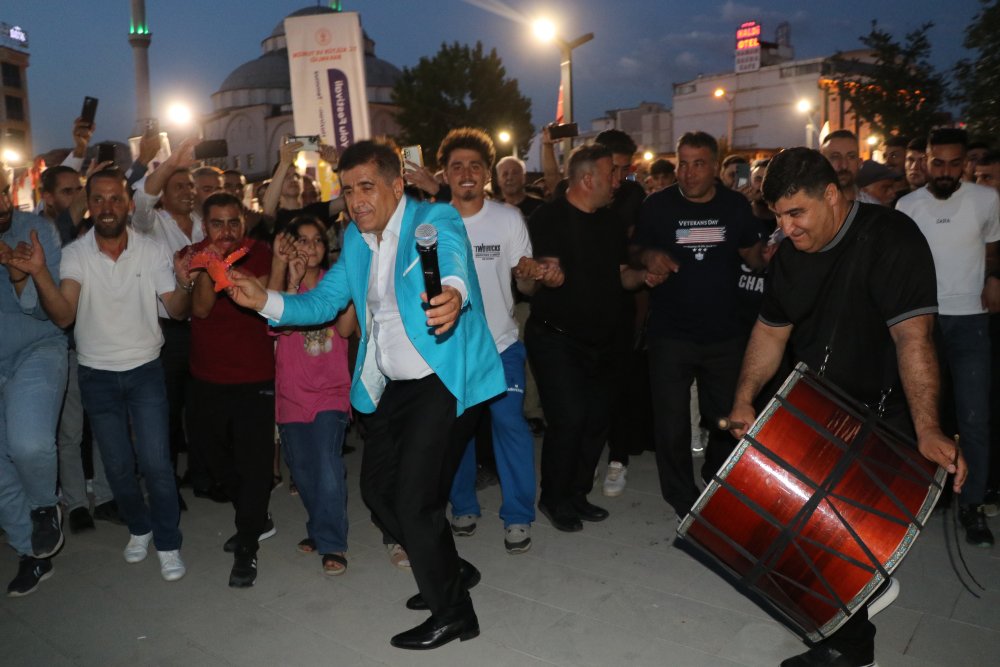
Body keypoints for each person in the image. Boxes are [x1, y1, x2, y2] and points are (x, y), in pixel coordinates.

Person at [227, 138, 505, 650]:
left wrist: (453, 296)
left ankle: (455, 615)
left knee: (416, 501)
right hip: (393, 385)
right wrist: (263, 297)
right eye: (348, 189)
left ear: (397, 186)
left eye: (367, 187)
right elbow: (324, 302)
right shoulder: (356, 240)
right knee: (378, 490)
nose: (356, 200)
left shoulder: (432, 219)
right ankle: (446, 567)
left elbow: (451, 264)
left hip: (444, 380)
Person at [726, 147, 966, 667]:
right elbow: (770, 331)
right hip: (817, 404)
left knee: (841, 533)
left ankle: (852, 632)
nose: (786, 228)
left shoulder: (891, 239)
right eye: (778, 217)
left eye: (797, 214)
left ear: (831, 196)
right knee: (798, 524)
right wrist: (744, 399)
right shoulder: (789, 256)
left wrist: (928, 428)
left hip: (886, 409)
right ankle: (851, 631)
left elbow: (913, 338)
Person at [10, 167, 192, 583]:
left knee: (157, 464)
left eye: (115, 199)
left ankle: (167, 541)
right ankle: (139, 528)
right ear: (89, 206)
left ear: (128, 203)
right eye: (99, 200)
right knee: (116, 465)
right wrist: (39, 273)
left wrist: (183, 283)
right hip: (96, 374)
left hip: (146, 369)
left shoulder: (150, 250)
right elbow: (63, 315)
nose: (107, 207)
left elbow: (178, 310)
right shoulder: (75, 254)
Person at [635, 131, 764, 519]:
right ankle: (680, 496)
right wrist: (650, 256)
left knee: (725, 417)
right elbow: (635, 249)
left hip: (725, 333)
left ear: (715, 166)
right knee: (672, 422)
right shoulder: (656, 205)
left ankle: (715, 474)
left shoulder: (735, 207)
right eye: (683, 163)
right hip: (671, 334)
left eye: (699, 163)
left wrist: (768, 252)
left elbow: (752, 257)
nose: (688, 173)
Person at [525, 144, 649, 531]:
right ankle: (554, 497)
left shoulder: (609, 222)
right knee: (570, 418)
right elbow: (545, 270)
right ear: (587, 179)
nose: (618, 181)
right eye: (612, 173)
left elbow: (621, 275)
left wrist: (645, 275)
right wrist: (548, 274)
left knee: (596, 421)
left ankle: (577, 493)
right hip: (557, 338)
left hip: (605, 340)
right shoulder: (550, 217)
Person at [896, 128, 1000, 547]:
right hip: (922, 324)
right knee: (923, 414)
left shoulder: (987, 200)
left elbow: (993, 248)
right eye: (938, 162)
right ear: (924, 159)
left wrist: (992, 277)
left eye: (955, 164)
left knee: (975, 415)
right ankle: (924, 495)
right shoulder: (907, 206)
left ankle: (971, 504)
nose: (945, 171)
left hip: (971, 322)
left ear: (965, 164)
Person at [437, 128, 539, 554]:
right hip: (451, 348)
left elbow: (527, 291)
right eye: (457, 166)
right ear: (444, 174)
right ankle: (463, 505)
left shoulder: (508, 218)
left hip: (501, 344)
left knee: (510, 424)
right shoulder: (431, 222)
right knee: (456, 432)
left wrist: (528, 277)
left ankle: (518, 515)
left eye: (474, 166)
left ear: (486, 174)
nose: (466, 173)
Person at [186, 192, 277, 587]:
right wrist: (210, 266)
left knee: (254, 464)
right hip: (206, 378)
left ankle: (248, 547)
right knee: (212, 459)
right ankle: (254, 516)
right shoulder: (192, 255)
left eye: (233, 222)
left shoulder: (261, 252)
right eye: (218, 223)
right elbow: (202, 309)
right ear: (204, 226)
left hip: (255, 377)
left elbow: (267, 300)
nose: (227, 231)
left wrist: (236, 272)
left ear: (244, 221)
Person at [268, 218, 354, 576]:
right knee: (302, 471)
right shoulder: (285, 283)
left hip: (331, 393)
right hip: (290, 395)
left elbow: (348, 329)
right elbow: (277, 323)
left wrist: (354, 284)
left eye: (317, 239)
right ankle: (319, 529)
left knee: (327, 463)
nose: (311, 246)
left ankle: (332, 541)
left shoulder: (336, 282)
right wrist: (291, 280)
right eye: (302, 240)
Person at [0, 164, 68, 596]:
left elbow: (53, 312)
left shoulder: (35, 232)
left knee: (27, 443)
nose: (3, 204)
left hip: (37, 348)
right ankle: (31, 554)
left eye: (2, 193)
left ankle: (46, 505)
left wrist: (20, 278)